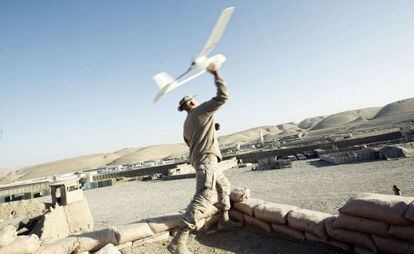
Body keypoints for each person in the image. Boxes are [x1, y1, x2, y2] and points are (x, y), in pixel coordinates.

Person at [168, 64, 241, 254]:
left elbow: (192, 141)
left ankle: (224, 220)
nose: (197, 100)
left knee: (224, 186)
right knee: (203, 196)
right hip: (207, 161)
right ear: (191, 103)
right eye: (195, 99)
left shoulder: (187, 123)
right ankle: (179, 239)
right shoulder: (202, 110)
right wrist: (217, 74)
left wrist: (211, 129)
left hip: (204, 160)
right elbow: (223, 97)